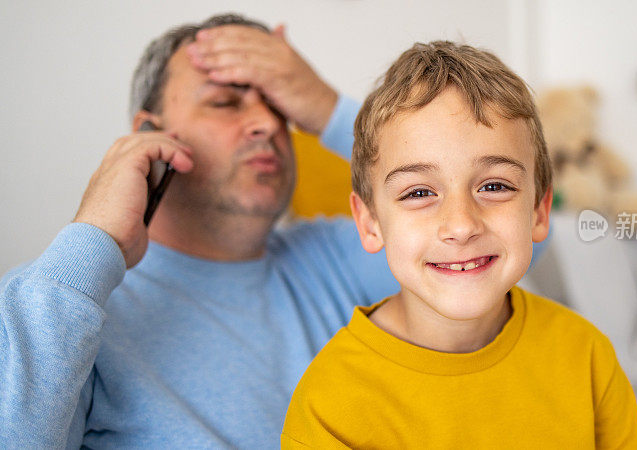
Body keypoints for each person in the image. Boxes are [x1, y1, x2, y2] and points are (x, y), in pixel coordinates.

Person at [0, 13, 401, 449]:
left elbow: (468, 223)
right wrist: (95, 238)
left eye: (279, 108)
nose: (267, 124)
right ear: (147, 136)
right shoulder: (60, 300)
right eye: (225, 102)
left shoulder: (349, 254)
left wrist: (329, 109)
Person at [281, 41, 637, 448]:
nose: (460, 225)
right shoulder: (331, 403)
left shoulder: (585, 354)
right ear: (369, 223)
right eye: (418, 192)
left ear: (539, 210)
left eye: (494, 186)